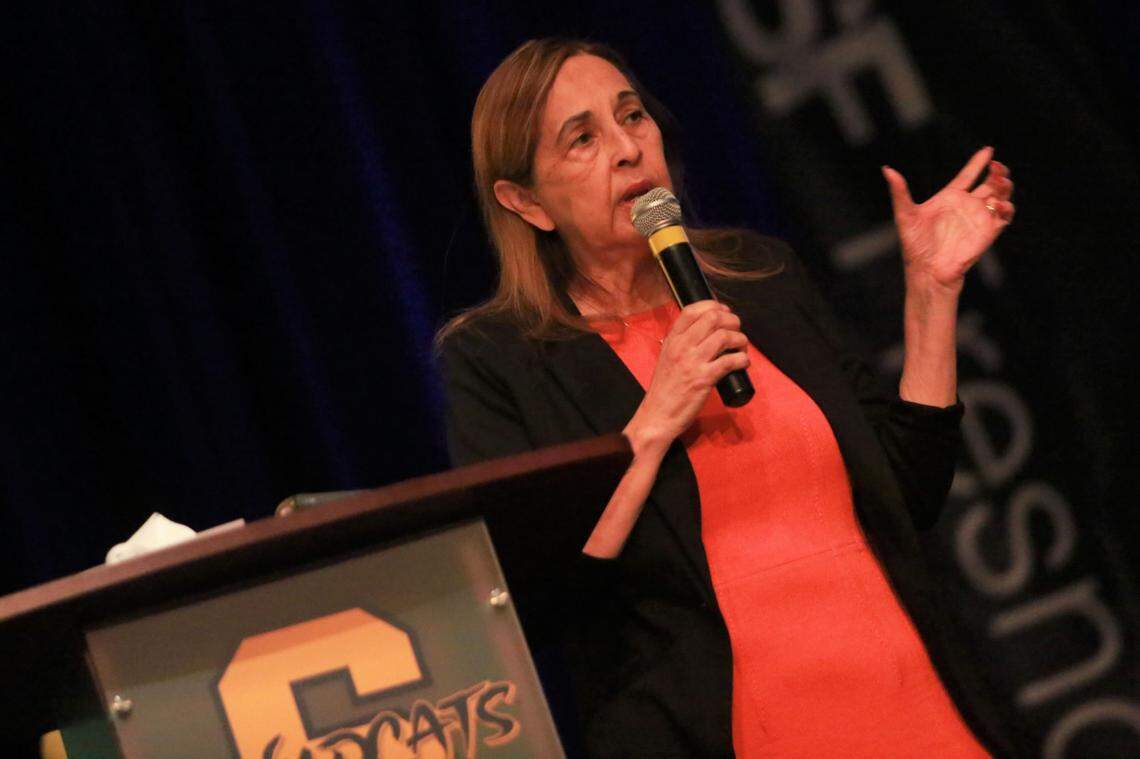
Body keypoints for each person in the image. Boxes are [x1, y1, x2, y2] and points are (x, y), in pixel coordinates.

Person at [437, 38, 1016, 758]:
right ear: (526, 201)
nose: (627, 149)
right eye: (582, 139)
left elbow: (909, 491)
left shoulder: (759, 277)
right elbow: (540, 592)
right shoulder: (503, 360)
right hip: (724, 730)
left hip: (908, 703)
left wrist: (932, 294)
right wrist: (652, 423)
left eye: (633, 117)